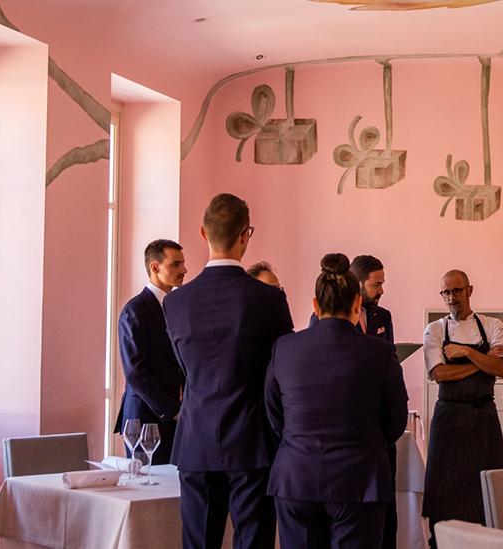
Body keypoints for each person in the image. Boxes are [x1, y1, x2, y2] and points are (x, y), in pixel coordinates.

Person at [164, 193, 294, 549]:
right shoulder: (269, 299)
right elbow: (284, 369)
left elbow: (184, 367)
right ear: (245, 235)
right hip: (253, 439)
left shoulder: (175, 302)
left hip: (195, 439)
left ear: (203, 234)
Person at [265, 253, 408, 549]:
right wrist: (368, 445)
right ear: (357, 304)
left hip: (297, 477)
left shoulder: (285, 348)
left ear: (316, 305)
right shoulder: (379, 352)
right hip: (360, 479)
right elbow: (396, 419)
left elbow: (274, 413)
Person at [421, 270, 503, 547]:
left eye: (457, 291)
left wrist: (467, 352)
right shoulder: (435, 329)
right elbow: (439, 374)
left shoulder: (493, 325)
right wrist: (483, 362)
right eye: (446, 292)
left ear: (469, 290)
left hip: (484, 419)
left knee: (487, 491)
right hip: (449, 420)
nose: (451, 298)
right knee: (445, 491)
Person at [113, 239, 187, 465]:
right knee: (147, 481)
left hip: (178, 416)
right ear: (155, 267)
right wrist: (172, 411)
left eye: (183, 263)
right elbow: (135, 371)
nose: (184, 270)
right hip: (145, 416)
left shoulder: (178, 306)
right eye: (176, 264)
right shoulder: (135, 310)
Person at [309, 255, 393, 343]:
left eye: (382, 284)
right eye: (376, 285)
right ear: (358, 283)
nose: (381, 291)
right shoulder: (326, 316)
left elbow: (391, 349)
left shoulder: (384, 316)